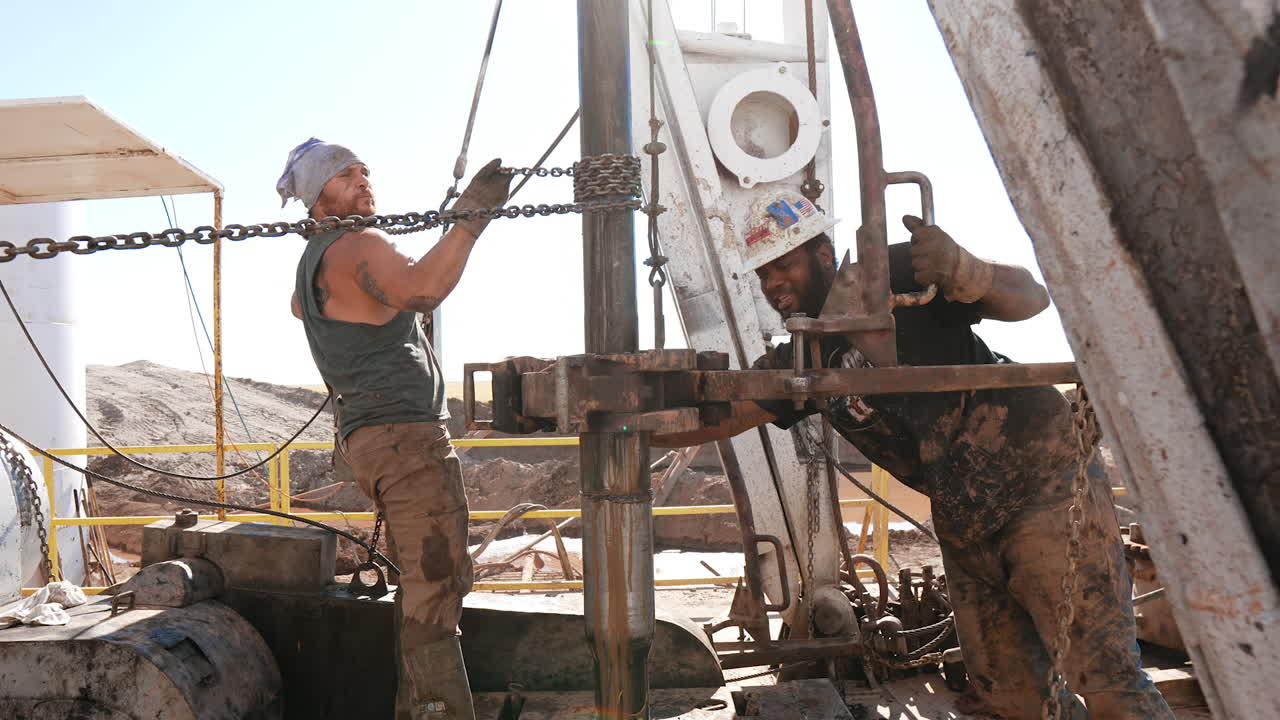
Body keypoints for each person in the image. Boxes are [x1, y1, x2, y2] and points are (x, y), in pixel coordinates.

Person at [654, 191, 1172, 719]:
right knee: (1013, 696)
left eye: (784, 264)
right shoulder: (802, 359)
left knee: (1107, 682)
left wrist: (967, 270)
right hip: (964, 518)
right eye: (763, 273)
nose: (772, 284)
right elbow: (720, 416)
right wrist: (614, 420)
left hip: (1043, 488)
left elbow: (1031, 298)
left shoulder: (900, 274)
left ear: (823, 253)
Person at [280, 138, 511, 720]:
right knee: (438, 584)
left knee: (423, 584)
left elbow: (301, 305)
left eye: (362, 170)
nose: (361, 179)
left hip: (373, 436)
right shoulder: (358, 244)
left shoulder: (318, 259)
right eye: (342, 175)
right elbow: (422, 289)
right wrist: (469, 224)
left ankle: (417, 709)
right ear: (317, 198)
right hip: (405, 438)